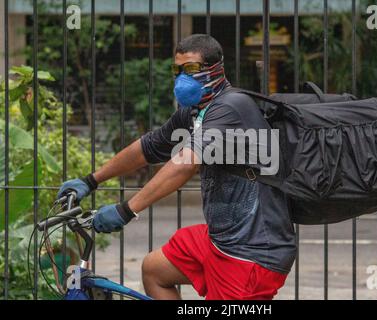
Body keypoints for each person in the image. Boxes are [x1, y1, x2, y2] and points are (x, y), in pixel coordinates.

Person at [57, 34, 296, 300]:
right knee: (154, 270)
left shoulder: (231, 106)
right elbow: (149, 147)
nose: (183, 77)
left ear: (216, 69)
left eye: (191, 69)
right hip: (219, 239)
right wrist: (91, 180)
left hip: (251, 251)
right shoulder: (195, 111)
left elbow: (185, 163)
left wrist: (126, 210)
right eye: (178, 69)